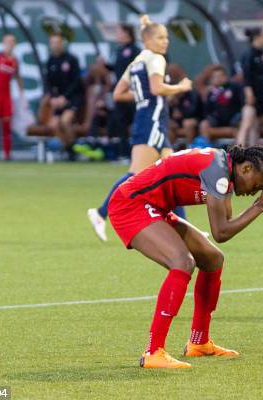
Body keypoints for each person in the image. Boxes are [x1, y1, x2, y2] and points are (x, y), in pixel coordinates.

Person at [107, 145, 263, 368]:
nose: (256, 191)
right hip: (131, 205)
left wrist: (257, 204)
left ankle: (199, 342)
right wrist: (259, 206)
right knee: (182, 262)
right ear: (247, 168)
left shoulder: (224, 168)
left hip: (154, 207)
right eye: (258, 184)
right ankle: (153, 351)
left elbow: (227, 219)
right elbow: (221, 232)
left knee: (213, 259)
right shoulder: (218, 171)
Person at [87, 15, 192, 242]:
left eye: (166, 38)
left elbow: (118, 93)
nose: (165, 42)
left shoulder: (136, 61)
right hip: (152, 121)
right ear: (147, 39)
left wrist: (143, 95)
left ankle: (184, 228)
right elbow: (156, 88)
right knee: (136, 174)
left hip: (148, 119)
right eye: (161, 37)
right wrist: (180, 87)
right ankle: (100, 212)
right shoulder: (155, 58)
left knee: (172, 175)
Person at [44, 32, 84, 160]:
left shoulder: (71, 59)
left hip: (72, 98)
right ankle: (69, 148)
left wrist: (65, 97)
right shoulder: (50, 60)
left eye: (58, 42)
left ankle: (72, 150)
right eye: (53, 43)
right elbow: (48, 82)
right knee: (54, 125)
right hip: (58, 100)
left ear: (62, 43)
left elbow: (76, 82)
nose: (55, 45)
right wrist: (53, 97)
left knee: (65, 121)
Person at [107, 23, 141, 161]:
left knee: (136, 122)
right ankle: (123, 153)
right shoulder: (119, 51)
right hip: (120, 92)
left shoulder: (135, 50)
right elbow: (116, 69)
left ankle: (138, 154)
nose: (117, 35)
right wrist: (104, 65)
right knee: (121, 122)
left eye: (119, 32)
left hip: (132, 92)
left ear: (127, 33)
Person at [236, 28, 263, 146]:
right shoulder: (248, 54)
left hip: (261, 94)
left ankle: (253, 153)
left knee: (256, 126)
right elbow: (246, 75)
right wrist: (248, 92)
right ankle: (238, 152)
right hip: (250, 94)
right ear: (257, 38)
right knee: (247, 123)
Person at [199, 65, 243, 140]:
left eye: (221, 76)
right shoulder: (212, 92)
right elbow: (207, 111)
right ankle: (206, 148)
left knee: (240, 123)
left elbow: (241, 104)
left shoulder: (234, 87)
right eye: (215, 77)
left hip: (233, 118)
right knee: (204, 124)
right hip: (218, 119)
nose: (218, 78)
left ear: (226, 76)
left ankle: (238, 149)